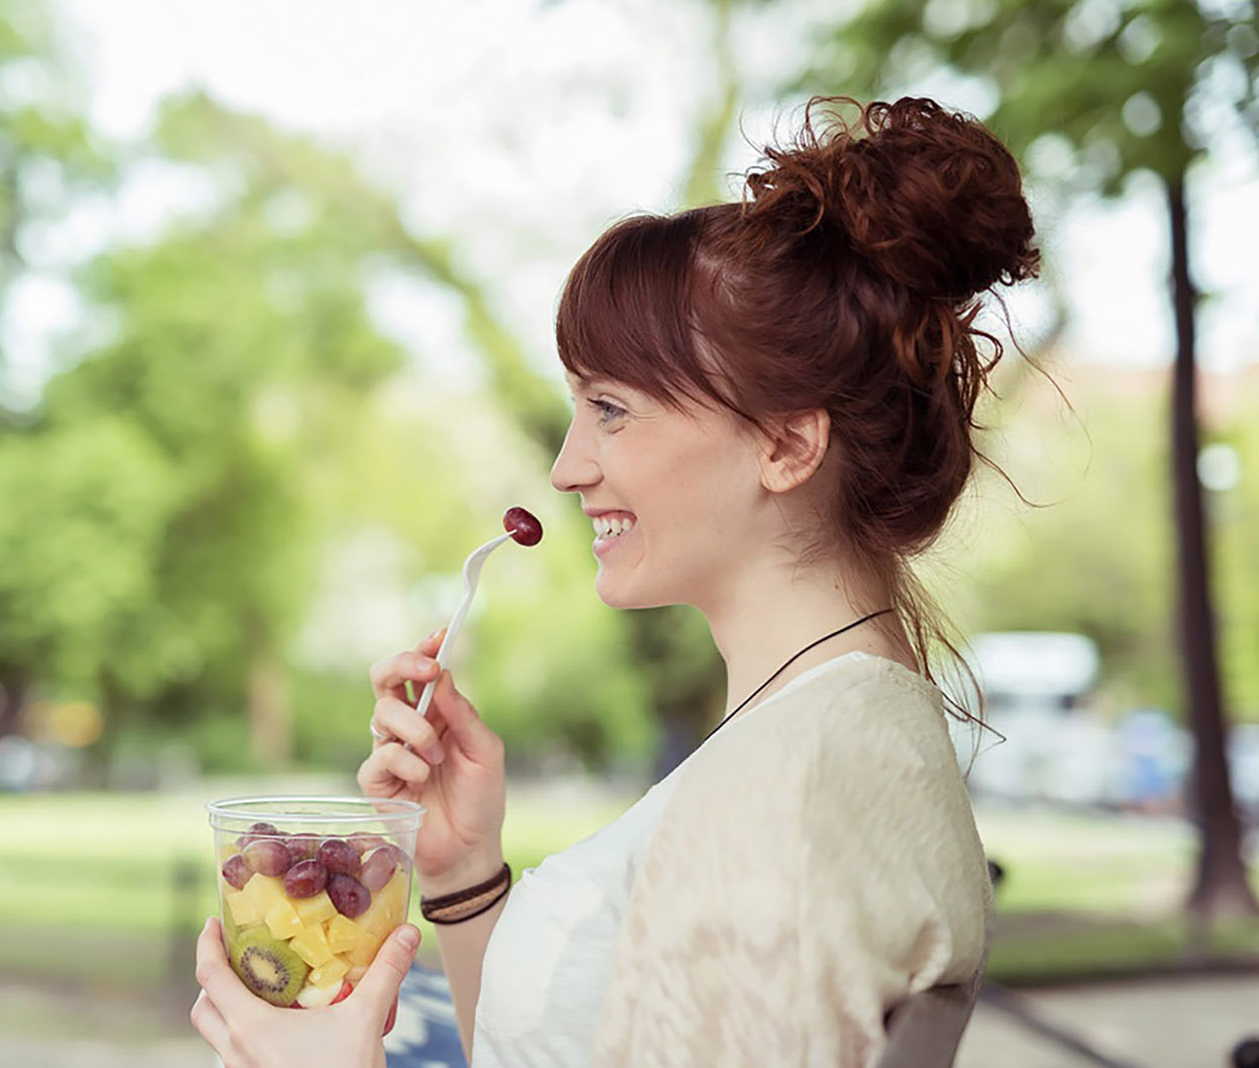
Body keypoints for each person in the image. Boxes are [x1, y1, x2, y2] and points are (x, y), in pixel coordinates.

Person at [192, 94, 1039, 1067]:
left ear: (786, 443)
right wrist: (464, 868)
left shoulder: (792, 793)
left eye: (609, 408)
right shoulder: (825, 736)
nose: (565, 467)